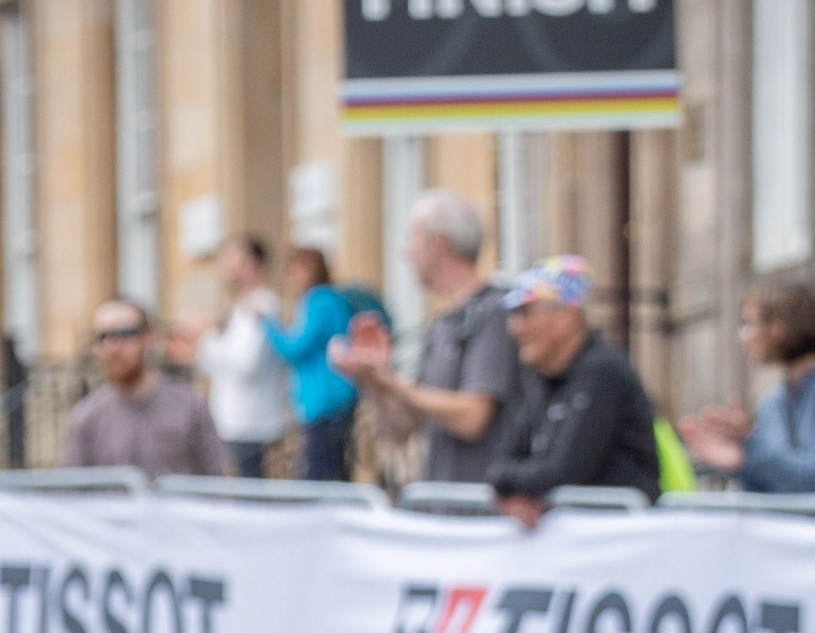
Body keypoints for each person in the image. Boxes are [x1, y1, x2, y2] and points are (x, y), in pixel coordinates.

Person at [331, 191, 518, 483]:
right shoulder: (442, 325)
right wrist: (370, 378)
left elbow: (472, 418)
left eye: (413, 238)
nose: (406, 252)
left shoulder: (495, 313)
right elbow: (399, 430)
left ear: (439, 243)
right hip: (443, 504)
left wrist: (389, 382)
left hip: (484, 510)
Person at [488, 256, 660, 526]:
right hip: (578, 542)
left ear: (567, 316)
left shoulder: (602, 371)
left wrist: (513, 485)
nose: (515, 328)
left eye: (525, 314)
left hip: (617, 540)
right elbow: (500, 461)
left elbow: (565, 471)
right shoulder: (541, 378)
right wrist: (514, 490)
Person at [62, 300, 227, 478]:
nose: (113, 347)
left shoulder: (190, 406)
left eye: (125, 333)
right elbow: (72, 493)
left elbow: (215, 483)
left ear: (149, 338)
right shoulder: (86, 417)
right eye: (104, 337)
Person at [679, 280, 815, 493]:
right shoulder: (775, 399)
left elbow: (807, 480)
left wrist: (750, 449)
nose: (743, 336)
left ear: (777, 329)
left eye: (749, 324)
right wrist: (742, 460)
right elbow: (773, 486)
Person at [173, 238, 287, 477]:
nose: (226, 266)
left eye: (233, 258)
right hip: (234, 420)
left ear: (252, 264)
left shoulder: (262, 306)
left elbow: (246, 365)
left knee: (248, 497)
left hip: (249, 423)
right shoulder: (241, 308)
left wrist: (205, 338)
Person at [261, 249, 358, 480]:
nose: (290, 279)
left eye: (294, 271)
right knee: (328, 471)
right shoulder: (324, 300)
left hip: (327, 401)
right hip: (326, 400)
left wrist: (268, 325)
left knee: (321, 475)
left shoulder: (320, 301)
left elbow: (296, 348)